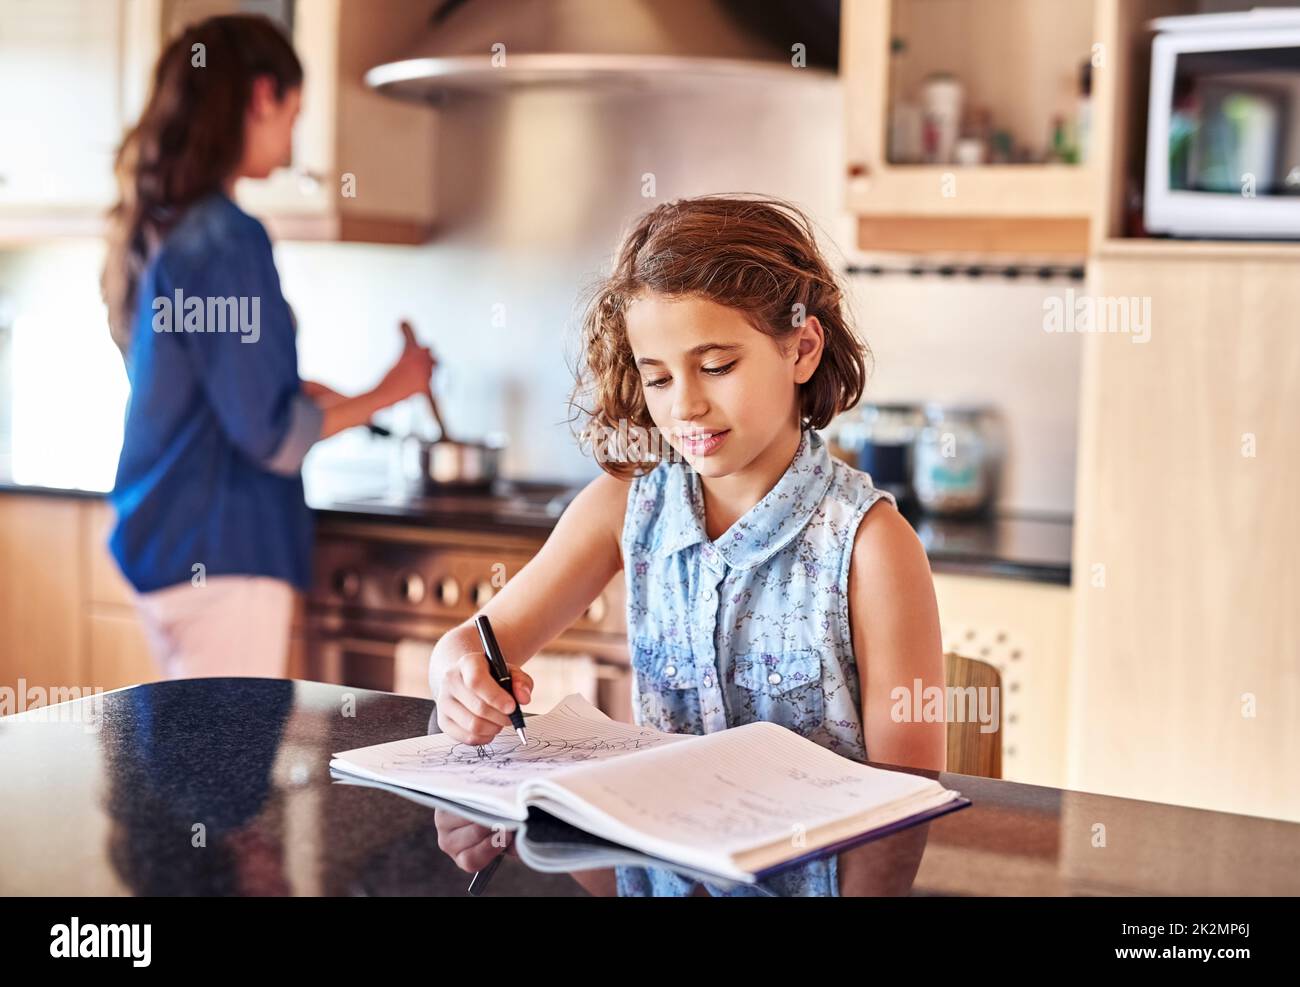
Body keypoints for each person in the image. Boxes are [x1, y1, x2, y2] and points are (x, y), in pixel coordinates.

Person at [427, 195, 946, 896]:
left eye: (717, 365)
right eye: (659, 376)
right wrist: (457, 683)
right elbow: (471, 644)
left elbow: (902, 810)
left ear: (801, 347)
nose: (684, 406)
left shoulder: (871, 546)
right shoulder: (624, 507)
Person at [101, 15, 434, 679]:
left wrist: (305, 390)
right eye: (294, 111)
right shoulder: (228, 238)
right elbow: (270, 434)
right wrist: (392, 389)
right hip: (225, 552)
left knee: (192, 772)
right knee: (224, 776)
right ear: (260, 96)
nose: (291, 139)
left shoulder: (174, 227)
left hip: (169, 543)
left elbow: (217, 390)